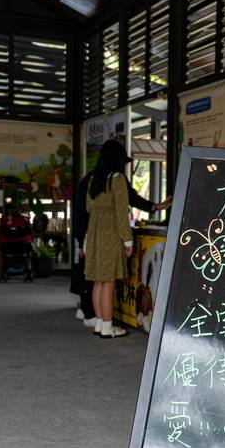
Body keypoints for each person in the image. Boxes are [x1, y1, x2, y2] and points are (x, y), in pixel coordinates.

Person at [70, 139, 171, 328]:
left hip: (92, 235)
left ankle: (98, 322)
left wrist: (81, 240)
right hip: (109, 236)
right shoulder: (116, 179)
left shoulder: (91, 180)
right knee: (108, 282)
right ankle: (107, 326)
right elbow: (121, 212)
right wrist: (127, 241)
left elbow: (85, 210)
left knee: (97, 282)